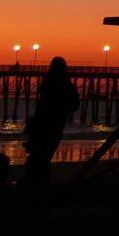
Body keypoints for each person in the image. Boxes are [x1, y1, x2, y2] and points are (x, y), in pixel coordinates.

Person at [22, 57, 79, 187]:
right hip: (56, 126)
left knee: (37, 155)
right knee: (45, 156)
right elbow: (75, 106)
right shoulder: (68, 86)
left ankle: (34, 183)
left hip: (41, 123)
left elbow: (42, 103)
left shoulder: (47, 82)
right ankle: (42, 184)